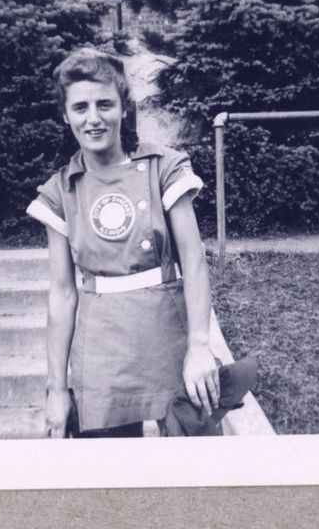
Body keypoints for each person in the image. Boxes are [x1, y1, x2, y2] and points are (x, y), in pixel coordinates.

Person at [26, 48, 220, 438]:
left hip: (169, 337)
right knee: (108, 477)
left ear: (124, 107)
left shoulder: (163, 168)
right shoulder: (60, 191)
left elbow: (194, 262)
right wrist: (56, 389)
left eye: (105, 105)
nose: (93, 118)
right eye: (80, 107)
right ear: (65, 115)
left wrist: (199, 346)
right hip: (100, 351)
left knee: (195, 469)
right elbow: (63, 294)